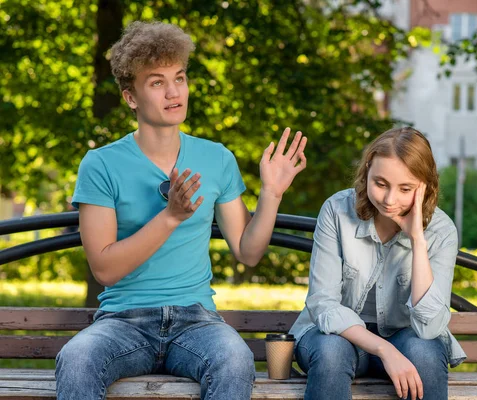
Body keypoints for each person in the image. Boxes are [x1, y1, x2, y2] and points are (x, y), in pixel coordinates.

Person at [55, 21, 307, 400]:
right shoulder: (101, 164)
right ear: (130, 98)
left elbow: (248, 251)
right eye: (157, 82)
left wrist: (271, 193)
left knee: (235, 360)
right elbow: (104, 268)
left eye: (180, 78)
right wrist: (170, 216)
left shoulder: (217, 158)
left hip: (196, 321)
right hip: (124, 321)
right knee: (76, 360)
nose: (174, 92)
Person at [289, 127, 465, 400]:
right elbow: (323, 304)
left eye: (405, 189)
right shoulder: (337, 210)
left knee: (426, 354)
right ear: (367, 170)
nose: (389, 199)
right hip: (337, 337)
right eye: (380, 183)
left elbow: (429, 327)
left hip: (405, 337)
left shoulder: (441, 231)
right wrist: (384, 350)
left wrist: (418, 240)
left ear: (425, 187)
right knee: (332, 353)